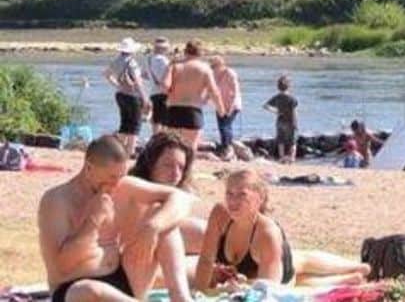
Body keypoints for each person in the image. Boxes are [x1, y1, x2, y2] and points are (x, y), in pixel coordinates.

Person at [135, 137, 370, 288]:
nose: (176, 173)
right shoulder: (139, 194)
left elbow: (270, 288)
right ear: (151, 163)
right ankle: (346, 277)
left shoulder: (264, 229)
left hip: (249, 258)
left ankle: (352, 268)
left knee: (295, 264)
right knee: (293, 273)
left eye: (180, 167)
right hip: (216, 261)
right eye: (168, 165)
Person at [37, 135, 194, 302]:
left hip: (123, 280)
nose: (116, 184)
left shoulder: (121, 185)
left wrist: (152, 227)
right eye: (111, 177)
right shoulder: (57, 201)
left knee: (163, 218)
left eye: (121, 176)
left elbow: (182, 199)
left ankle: (181, 298)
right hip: (75, 289)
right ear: (89, 168)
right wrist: (93, 221)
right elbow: (62, 266)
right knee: (86, 290)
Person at [195, 170, 369, 289]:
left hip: (274, 273)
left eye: (242, 195)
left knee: (295, 271)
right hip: (251, 271)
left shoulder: (266, 232)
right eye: (229, 194)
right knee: (301, 263)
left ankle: (356, 268)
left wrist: (246, 284)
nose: (233, 201)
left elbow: (269, 289)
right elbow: (205, 260)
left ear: (259, 198)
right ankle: (350, 278)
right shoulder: (220, 214)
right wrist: (199, 292)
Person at [163, 40, 226, 151]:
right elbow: (214, 91)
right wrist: (221, 109)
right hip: (193, 109)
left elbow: (165, 85)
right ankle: (188, 167)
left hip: (174, 109)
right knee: (191, 147)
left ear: (185, 51)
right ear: (200, 53)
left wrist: (169, 67)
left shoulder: (176, 66)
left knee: (173, 146)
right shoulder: (205, 69)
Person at [103, 38, 151, 157]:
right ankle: (130, 151)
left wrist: (117, 85)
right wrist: (144, 97)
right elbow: (138, 82)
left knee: (125, 123)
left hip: (120, 94)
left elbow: (106, 74)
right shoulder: (131, 63)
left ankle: (119, 149)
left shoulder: (116, 61)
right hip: (132, 95)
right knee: (135, 124)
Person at [210, 56, 243, 157]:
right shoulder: (213, 74)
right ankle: (224, 147)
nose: (212, 68)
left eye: (214, 66)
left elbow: (235, 91)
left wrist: (231, 107)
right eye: (211, 66)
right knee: (221, 127)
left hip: (232, 104)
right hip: (220, 104)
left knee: (225, 127)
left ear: (221, 64)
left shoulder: (230, 73)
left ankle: (228, 148)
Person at [264, 76, 298, 163]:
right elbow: (294, 112)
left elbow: (265, 106)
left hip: (280, 121)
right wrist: (295, 123)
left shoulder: (277, 97)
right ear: (289, 86)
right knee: (292, 141)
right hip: (290, 121)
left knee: (280, 140)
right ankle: (292, 158)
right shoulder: (292, 99)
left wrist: (275, 112)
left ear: (278, 87)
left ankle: (281, 157)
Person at [144, 38, 172, 135]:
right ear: (163, 49)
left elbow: (145, 75)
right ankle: (164, 140)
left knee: (156, 119)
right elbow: (167, 78)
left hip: (153, 92)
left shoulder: (149, 59)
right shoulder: (163, 60)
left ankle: (155, 138)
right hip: (164, 92)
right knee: (165, 120)